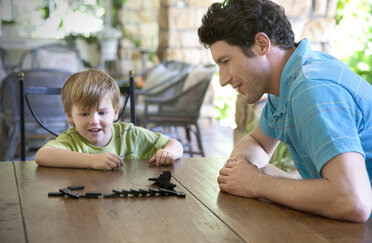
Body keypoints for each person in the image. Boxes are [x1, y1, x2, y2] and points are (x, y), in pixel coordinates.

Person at [198, 0, 372, 222]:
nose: (223, 80)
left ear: (261, 44)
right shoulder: (286, 87)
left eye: (226, 61)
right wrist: (239, 170)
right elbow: (258, 142)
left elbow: (353, 201)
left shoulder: (313, 89)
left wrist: (255, 182)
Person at [35, 69, 183, 170]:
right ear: (70, 116)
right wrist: (92, 161)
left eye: (102, 113)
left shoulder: (130, 135)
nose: (94, 121)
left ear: (115, 113)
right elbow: (42, 155)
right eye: (84, 114)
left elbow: (175, 144)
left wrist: (168, 153)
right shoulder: (72, 140)